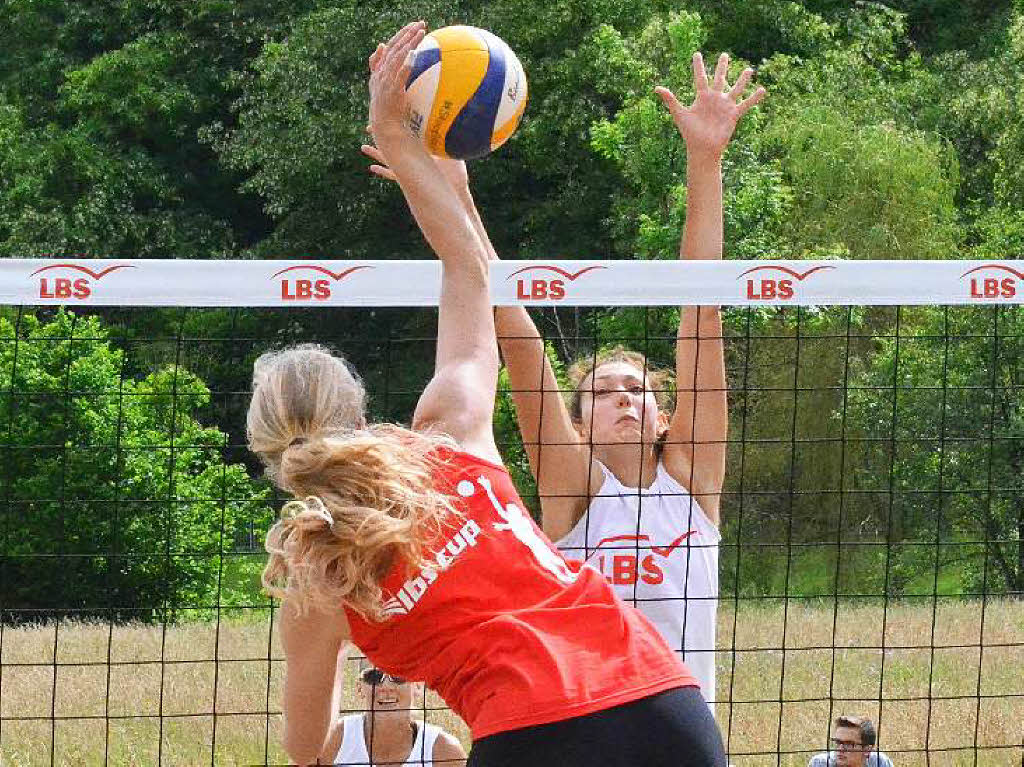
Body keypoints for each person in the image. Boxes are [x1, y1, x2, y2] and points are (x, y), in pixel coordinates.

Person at [249, 21, 725, 767]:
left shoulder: (318, 580)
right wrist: (409, 153)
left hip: (529, 732)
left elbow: (307, 750)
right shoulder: (449, 432)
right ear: (359, 411)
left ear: (271, 452)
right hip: (662, 705)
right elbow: (470, 273)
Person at [364, 48, 765, 714]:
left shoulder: (691, 481)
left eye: (639, 389)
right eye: (606, 392)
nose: (626, 399)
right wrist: (453, 189)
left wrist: (706, 160)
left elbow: (704, 307)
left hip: (679, 722)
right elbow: (518, 339)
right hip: (584, 715)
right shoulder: (576, 489)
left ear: (666, 417)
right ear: (579, 426)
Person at [319, 664, 466, 766]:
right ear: (359, 688)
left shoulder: (444, 751)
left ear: (418, 686)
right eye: (374, 677)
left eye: (398, 676)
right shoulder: (334, 739)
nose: (386, 687)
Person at [808, 715, 894, 767]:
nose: (840, 749)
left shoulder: (879, 762)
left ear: (867, 750)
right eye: (838, 742)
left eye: (849, 744)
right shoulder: (820, 763)